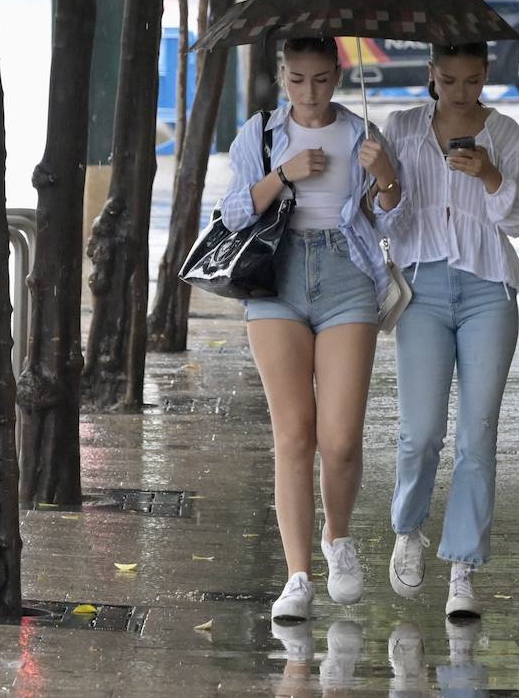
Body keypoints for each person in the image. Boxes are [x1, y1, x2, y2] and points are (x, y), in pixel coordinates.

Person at [218, 35, 403, 621]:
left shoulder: (360, 134)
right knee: (294, 434)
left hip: (346, 273)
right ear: (282, 77)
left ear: (338, 75)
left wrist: (388, 174)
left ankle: (338, 539)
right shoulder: (262, 134)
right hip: (277, 275)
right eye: (298, 79)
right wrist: (283, 174)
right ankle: (297, 575)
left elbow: (393, 212)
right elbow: (232, 213)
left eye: (321, 78)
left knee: (342, 438)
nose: (310, 92)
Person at [380, 42, 519, 619]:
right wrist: (382, 178)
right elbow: (382, 220)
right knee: (420, 432)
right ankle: (407, 528)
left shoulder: (507, 135)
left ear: (485, 76)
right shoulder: (399, 128)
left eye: (472, 81)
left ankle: (464, 567)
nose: (460, 92)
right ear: (431, 74)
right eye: (448, 79)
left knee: (478, 434)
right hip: (420, 290)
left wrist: (491, 175)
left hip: (487, 292)